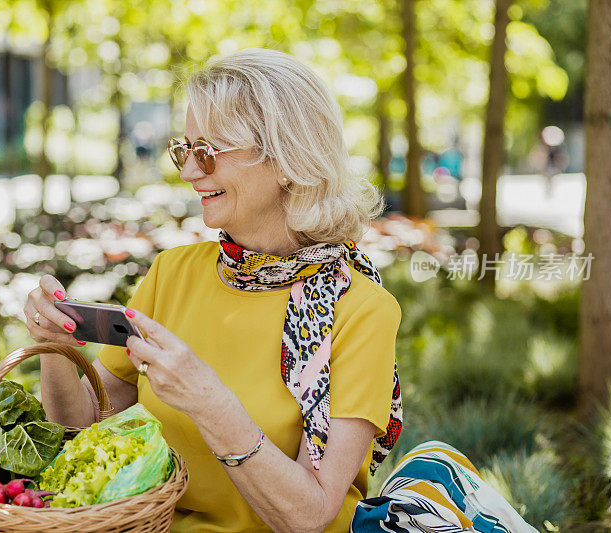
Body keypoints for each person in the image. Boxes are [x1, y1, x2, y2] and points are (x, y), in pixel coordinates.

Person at [26, 47, 404, 532]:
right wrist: (56, 348)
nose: (188, 172)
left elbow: (309, 515)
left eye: (208, 153)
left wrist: (210, 402)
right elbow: (79, 426)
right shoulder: (173, 273)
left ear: (287, 158)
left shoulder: (361, 311)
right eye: (186, 149)